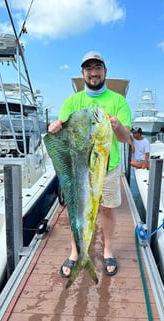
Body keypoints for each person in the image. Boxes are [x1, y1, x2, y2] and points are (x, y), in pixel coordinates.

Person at [48, 51, 132, 277]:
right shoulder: (72, 101)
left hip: (108, 167)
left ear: (105, 71)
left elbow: (126, 138)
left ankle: (107, 251)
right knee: (77, 210)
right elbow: (62, 130)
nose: (93, 73)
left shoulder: (118, 101)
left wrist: (117, 126)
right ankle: (76, 253)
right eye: (89, 69)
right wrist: (55, 127)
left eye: (98, 68)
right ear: (83, 73)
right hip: (79, 170)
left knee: (106, 210)